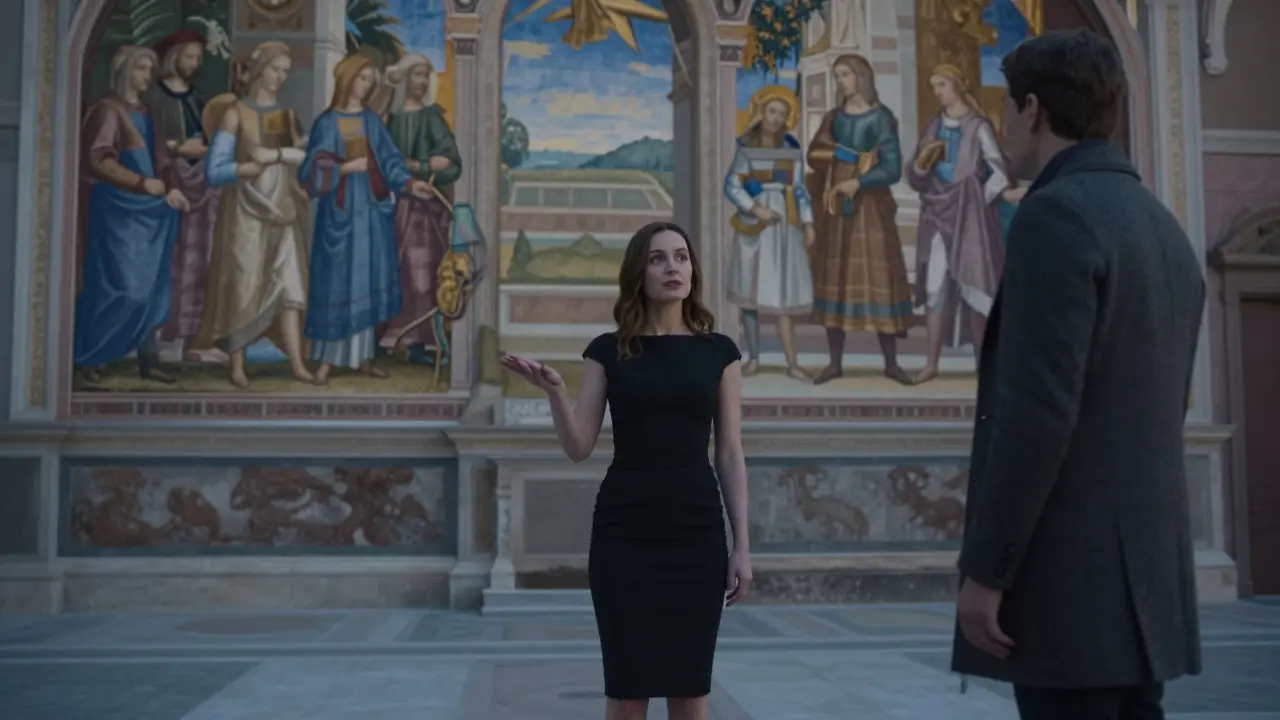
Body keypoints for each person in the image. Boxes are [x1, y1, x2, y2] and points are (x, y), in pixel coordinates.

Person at [952, 29, 1203, 720]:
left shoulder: (1054, 215)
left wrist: (988, 571)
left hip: (1072, 584)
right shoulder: (1159, 225)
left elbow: (1037, 414)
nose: (1003, 127)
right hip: (1141, 587)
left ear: (1033, 109)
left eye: (1005, 109)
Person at [499, 222, 752, 720]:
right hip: (625, 535)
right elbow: (579, 446)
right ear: (638, 272)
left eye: (681, 256)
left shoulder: (719, 353)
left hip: (696, 534)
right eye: (658, 258)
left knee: (690, 690)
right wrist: (555, 392)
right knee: (627, 692)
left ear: (693, 269)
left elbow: (729, 452)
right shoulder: (607, 351)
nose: (672, 267)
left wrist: (741, 543)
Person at [300, 54, 435, 385]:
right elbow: (309, 172)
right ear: (347, 79)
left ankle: (364, 357)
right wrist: (345, 168)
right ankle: (327, 363)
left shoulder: (372, 121)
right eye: (361, 79)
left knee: (368, 283)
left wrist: (410, 183)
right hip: (340, 217)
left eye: (369, 80)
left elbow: (389, 161)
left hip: (371, 218)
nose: (366, 86)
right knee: (337, 285)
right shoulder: (326, 123)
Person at [196, 41, 312, 388]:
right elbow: (215, 171)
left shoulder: (286, 114)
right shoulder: (235, 114)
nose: (280, 77)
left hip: (284, 208)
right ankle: (237, 365)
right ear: (259, 69)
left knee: (290, 285)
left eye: (285, 72)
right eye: (276, 69)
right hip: (246, 211)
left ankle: (296, 363)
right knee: (244, 285)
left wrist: (281, 157)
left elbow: (301, 157)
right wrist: (248, 167)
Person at [75, 45, 190, 386]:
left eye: (148, 69)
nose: (146, 75)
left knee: (153, 288)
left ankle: (147, 359)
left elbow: (163, 161)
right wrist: (141, 183)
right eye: (140, 68)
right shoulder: (108, 111)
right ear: (125, 70)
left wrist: (172, 187)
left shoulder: (146, 111)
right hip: (116, 212)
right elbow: (99, 160)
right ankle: (90, 353)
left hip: (149, 214)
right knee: (121, 288)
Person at [805, 54, 915, 386]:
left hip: (871, 211)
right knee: (837, 278)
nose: (840, 81)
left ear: (861, 77)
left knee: (880, 279)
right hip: (838, 208)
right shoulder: (833, 118)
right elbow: (814, 153)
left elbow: (892, 168)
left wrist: (859, 180)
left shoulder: (882, 119)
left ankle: (892, 364)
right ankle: (835, 363)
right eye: (837, 76)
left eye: (845, 75)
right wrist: (842, 157)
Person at [907, 64, 1018, 385]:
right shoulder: (933, 127)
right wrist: (920, 163)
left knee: (975, 287)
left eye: (942, 84)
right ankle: (931, 364)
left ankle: (985, 365)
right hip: (938, 214)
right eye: (934, 86)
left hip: (970, 216)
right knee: (935, 289)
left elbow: (997, 170)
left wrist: (985, 194)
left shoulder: (978, 126)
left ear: (956, 85)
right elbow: (915, 177)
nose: (938, 91)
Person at [724, 84, 816, 382]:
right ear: (761, 112)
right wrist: (756, 208)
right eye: (772, 111)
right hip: (755, 225)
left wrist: (809, 223)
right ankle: (753, 358)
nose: (776, 118)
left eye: (782, 113)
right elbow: (732, 185)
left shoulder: (790, 147)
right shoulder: (745, 145)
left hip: (785, 226)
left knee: (783, 293)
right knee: (750, 294)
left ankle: (792, 362)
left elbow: (800, 190)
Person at [377, 53, 463, 366]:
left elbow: (452, 164)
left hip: (426, 212)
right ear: (403, 78)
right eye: (417, 74)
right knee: (395, 272)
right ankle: (393, 335)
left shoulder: (432, 118)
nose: (422, 81)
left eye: (426, 75)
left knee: (423, 273)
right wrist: (414, 168)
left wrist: (422, 166)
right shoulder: (389, 118)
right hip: (393, 206)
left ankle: (423, 339)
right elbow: (382, 161)